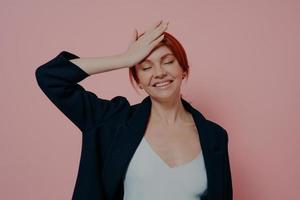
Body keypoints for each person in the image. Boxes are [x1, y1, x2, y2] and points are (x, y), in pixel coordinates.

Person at [35, 20, 233, 200]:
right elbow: (51, 77)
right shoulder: (112, 121)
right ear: (138, 82)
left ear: (184, 70)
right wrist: (124, 59)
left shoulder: (214, 136)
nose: (159, 73)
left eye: (168, 61)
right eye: (146, 67)